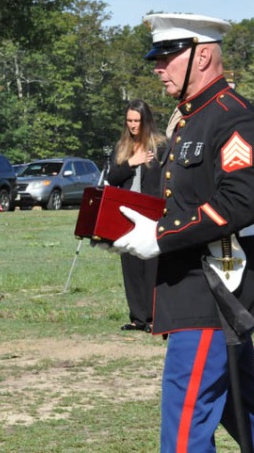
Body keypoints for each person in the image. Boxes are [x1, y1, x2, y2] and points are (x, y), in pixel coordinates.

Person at [111, 14, 254, 451]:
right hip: (191, 285)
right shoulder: (190, 120)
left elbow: (240, 202)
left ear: (204, 55)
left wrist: (161, 236)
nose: (159, 68)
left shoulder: (233, 117)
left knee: (186, 419)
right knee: (240, 408)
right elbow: (182, 198)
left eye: (168, 57)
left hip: (212, 288)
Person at [106, 99, 166, 333]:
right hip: (127, 213)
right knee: (130, 264)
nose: (132, 125)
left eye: (137, 121)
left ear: (146, 120)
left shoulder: (160, 146)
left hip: (151, 213)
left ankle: (154, 318)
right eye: (129, 120)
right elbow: (112, 178)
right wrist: (132, 162)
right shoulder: (122, 147)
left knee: (151, 264)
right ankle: (137, 317)